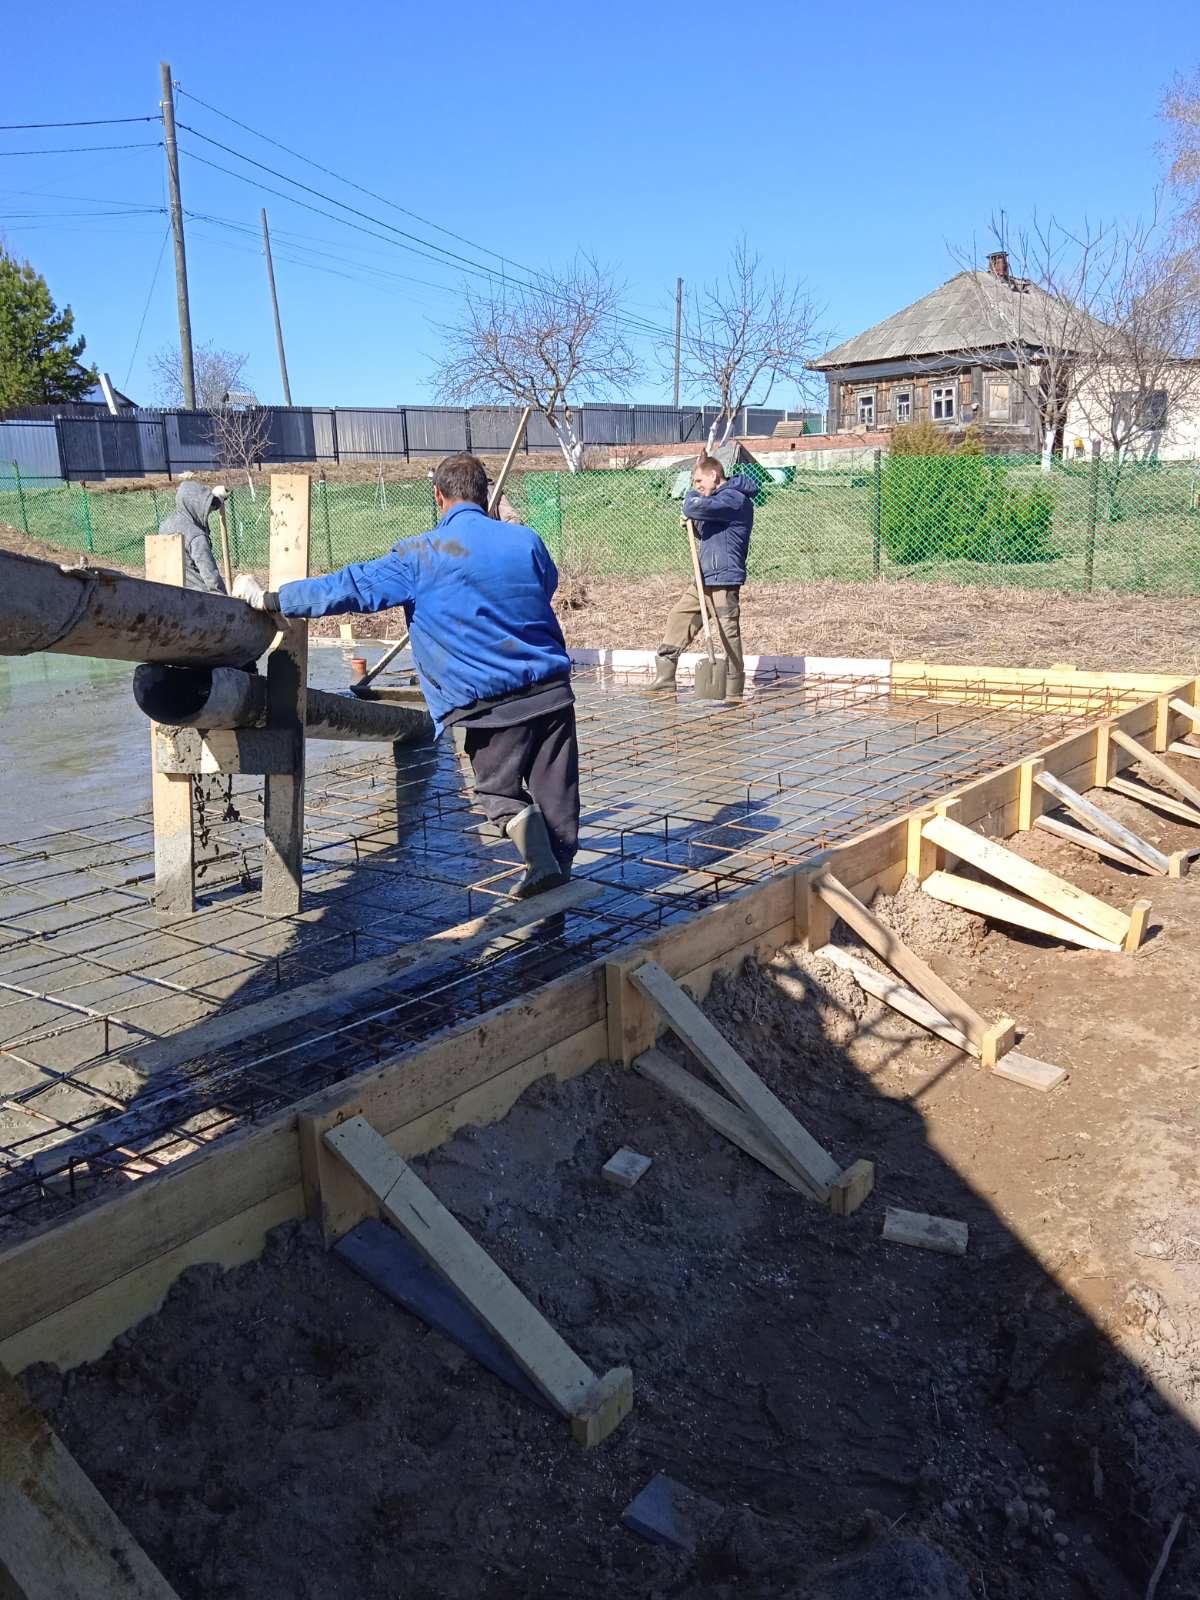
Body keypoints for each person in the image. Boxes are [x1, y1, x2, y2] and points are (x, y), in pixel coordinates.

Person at [233, 452, 577, 898]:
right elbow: (542, 586)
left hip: (490, 703)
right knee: (558, 797)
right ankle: (560, 890)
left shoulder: (420, 555)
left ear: (438, 496)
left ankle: (542, 867)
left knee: (499, 792)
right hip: (552, 692)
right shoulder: (526, 541)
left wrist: (273, 598)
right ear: (486, 493)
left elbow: (348, 589)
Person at [649, 453, 755, 702]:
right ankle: (665, 678)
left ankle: (733, 687)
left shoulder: (734, 498)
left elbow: (693, 504)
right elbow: (709, 530)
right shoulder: (719, 500)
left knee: (727, 631)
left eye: (698, 481)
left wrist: (692, 504)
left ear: (713, 476)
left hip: (724, 577)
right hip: (705, 575)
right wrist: (694, 523)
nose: (696, 487)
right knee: (680, 616)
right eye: (694, 483)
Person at [157, 479, 230, 594]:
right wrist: (224, 600)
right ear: (196, 507)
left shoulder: (165, 527)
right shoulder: (196, 536)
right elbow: (211, 577)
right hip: (197, 597)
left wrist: (218, 500)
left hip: (169, 592)